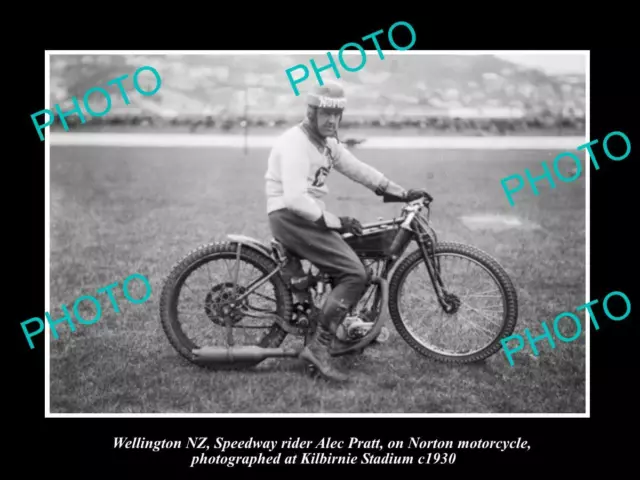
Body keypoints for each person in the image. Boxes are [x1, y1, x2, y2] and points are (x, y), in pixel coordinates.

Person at [264, 79, 431, 382]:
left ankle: (345, 324)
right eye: (325, 113)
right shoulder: (295, 143)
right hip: (292, 217)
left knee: (354, 254)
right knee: (356, 274)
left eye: (336, 114)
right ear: (311, 112)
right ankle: (318, 348)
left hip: (305, 217)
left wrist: (400, 192)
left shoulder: (326, 144)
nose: (331, 120)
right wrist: (335, 221)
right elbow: (294, 198)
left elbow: (359, 170)